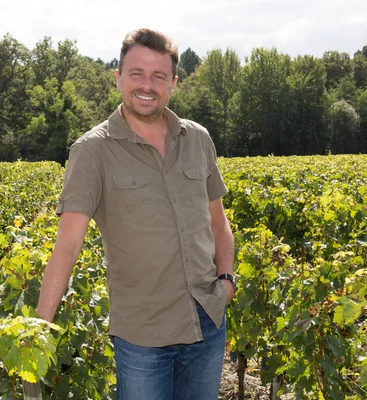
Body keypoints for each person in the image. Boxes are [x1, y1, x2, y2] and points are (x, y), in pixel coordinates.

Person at [36, 27, 234, 400]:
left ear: (173, 83)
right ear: (118, 79)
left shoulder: (198, 139)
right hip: (143, 336)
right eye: (137, 74)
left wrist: (226, 282)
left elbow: (219, 224)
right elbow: (68, 244)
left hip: (207, 323)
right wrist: (39, 324)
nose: (148, 85)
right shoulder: (92, 151)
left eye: (159, 76)